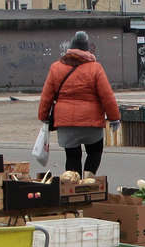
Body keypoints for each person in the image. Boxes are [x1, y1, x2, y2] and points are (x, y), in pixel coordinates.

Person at [38, 31, 120, 178]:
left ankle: (73, 185)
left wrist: (43, 116)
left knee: (72, 156)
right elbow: (107, 96)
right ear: (87, 49)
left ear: (70, 48)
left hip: (65, 123)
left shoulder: (56, 67)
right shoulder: (95, 68)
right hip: (91, 123)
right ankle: (88, 180)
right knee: (94, 152)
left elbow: (46, 96)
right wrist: (114, 117)